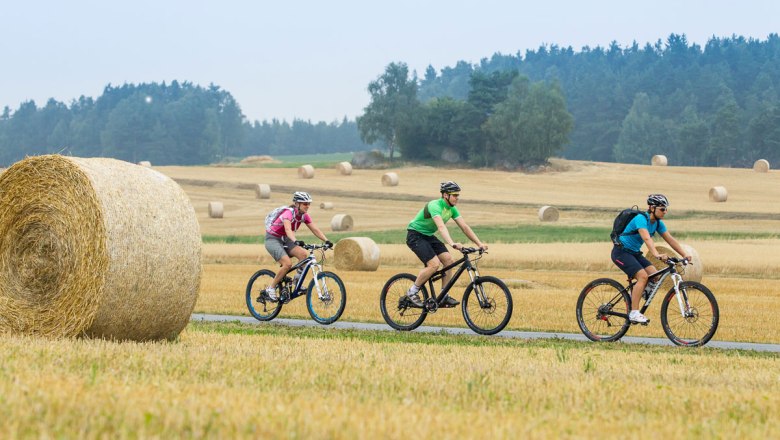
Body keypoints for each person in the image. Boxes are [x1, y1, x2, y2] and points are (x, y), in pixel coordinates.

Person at [404, 181, 488, 307]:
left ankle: (443, 295)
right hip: (415, 235)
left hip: (428, 236)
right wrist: (452, 243)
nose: (457, 198)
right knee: (434, 265)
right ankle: (413, 291)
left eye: (457, 195)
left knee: (449, 260)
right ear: (445, 195)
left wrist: (479, 243)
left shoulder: (452, 209)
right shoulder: (435, 205)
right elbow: (441, 227)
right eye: (454, 195)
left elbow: (464, 227)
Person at [611, 194, 692, 324]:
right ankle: (634, 312)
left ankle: (637, 295)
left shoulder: (658, 223)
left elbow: (670, 240)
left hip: (635, 253)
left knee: (654, 275)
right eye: (662, 209)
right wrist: (656, 254)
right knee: (643, 277)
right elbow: (646, 238)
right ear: (652, 208)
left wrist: (684, 254)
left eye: (666, 209)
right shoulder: (640, 219)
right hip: (621, 252)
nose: (665, 212)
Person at [264, 191, 331, 301]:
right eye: (305, 204)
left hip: (286, 239)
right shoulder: (288, 213)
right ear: (297, 204)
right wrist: (295, 241)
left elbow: (315, 229)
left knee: (304, 255)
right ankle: (270, 289)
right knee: (287, 264)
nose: (307, 206)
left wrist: (327, 240)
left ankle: (297, 281)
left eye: (308, 203)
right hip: (273, 239)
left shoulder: (304, 216)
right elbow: (288, 229)